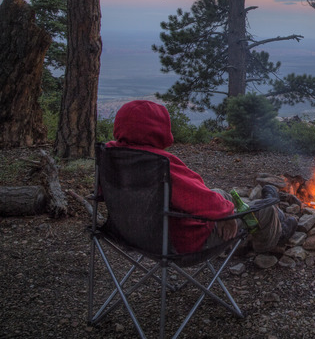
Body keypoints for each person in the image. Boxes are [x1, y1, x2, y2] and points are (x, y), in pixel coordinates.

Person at [107, 100, 295, 254]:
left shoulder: (111, 156)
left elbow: (102, 193)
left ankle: (249, 224)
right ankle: (268, 242)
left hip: (133, 235)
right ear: (158, 129)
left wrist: (222, 206)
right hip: (182, 241)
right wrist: (226, 213)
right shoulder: (160, 164)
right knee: (265, 209)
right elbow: (198, 197)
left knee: (220, 193)